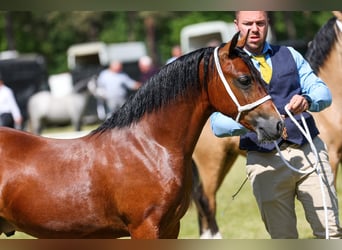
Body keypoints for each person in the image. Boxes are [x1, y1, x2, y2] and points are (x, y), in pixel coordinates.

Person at [210, 11, 342, 239]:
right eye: (247, 23)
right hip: (264, 162)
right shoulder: (225, 66)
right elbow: (217, 124)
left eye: (260, 23)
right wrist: (255, 122)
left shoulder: (290, 54)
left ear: (267, 23)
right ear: (236, 25)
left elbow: (323, 92)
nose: (254, 29)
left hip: (310, 153)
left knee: (331, 233)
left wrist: (308, 100)